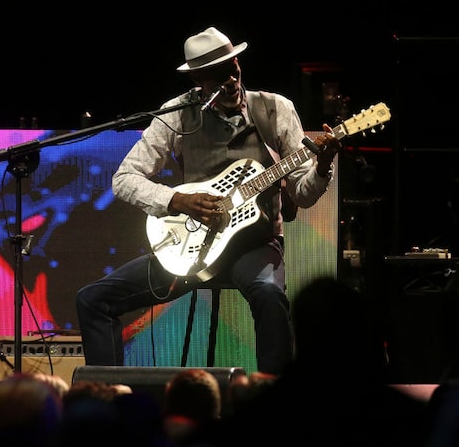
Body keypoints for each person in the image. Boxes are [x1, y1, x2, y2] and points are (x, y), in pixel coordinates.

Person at [76, 26, 341, 374]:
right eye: (218, 76)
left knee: (268, 294)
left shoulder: (274, 109)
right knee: (93, 299)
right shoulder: (176, 113)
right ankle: (106, 400)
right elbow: (125, 180)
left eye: (234, 68)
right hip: (192, 247)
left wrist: (322, 165)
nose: (231, 80)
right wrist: (177, 201)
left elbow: (303, 195)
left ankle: (277, 403)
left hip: (254, 246)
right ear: (199, 80)